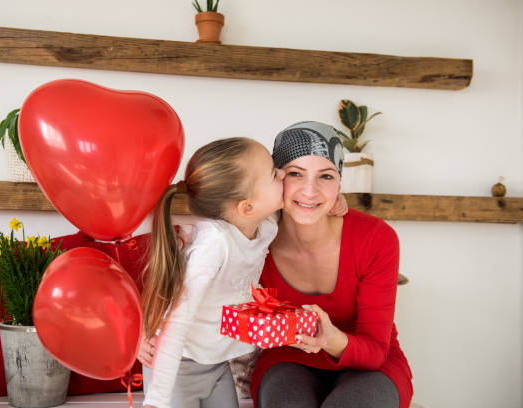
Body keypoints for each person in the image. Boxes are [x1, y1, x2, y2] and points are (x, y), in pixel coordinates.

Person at [250, 121, 413, 408]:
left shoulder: (375, 238)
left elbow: (375, 350)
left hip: (370, 364)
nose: (310, 191)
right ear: (276, 179)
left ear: (339, 184)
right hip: (288, 359)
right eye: (295, 173)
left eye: (325, 176)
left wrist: (329, 339)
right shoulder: (254, 238)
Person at [141, 137, 286, 408]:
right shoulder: (215, 245)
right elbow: (177, 322)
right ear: (247, 207)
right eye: (274, 173)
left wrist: (334, 203)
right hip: (177, 367)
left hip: (217, 365)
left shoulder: (266, 226)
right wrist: (157, 399)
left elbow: (293, 205)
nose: (284, 174)